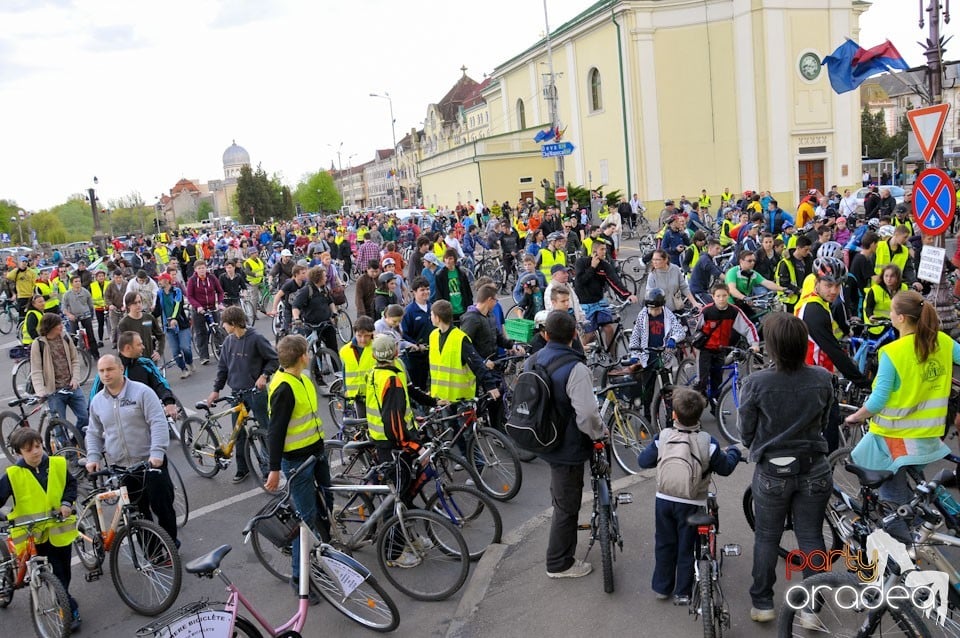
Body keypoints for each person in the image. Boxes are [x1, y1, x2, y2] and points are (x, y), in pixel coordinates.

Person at [739, 312, 834, 623]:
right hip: (815, 468)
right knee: (811, 536)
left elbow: (746, 431)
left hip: (773, 470)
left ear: (772, 346)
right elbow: (824, 421)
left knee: (767, 536)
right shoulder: (822, 377)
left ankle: (763, 603)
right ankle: (810, 609)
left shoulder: (756, 382)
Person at [847, 290, 960, 537]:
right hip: (930, 433)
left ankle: (907, 552)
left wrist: (857, 416)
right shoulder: (943, 341)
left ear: (900, 318)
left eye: (891, 312)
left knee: (892, 500)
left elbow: (878, 400)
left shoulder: (893, 352)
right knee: (918, 487)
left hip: (896, 437)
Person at [637, 387, 741, 605]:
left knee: (664, 543)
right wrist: (734, 452)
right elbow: (725, 468)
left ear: (674, 414)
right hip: (692, 502)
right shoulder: (707, 441)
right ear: (700, 414)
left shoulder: (663, 437)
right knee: (687, 547)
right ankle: (682, 591)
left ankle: (661, 587)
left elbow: (643, 462)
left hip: (664, 499)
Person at [534, 311, 605, 578]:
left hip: (545, 439)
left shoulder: (536, 358)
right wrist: (599, 433)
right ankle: (559, 563)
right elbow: (587, 414)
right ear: (574, 334)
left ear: (546, 335)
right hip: (567, 446)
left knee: (562, 497)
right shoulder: (575, 368)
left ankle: (562, 554)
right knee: (567, 506)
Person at [86, 354, 178, 550]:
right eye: (101, 371)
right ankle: (152, 554)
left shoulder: (142, 392)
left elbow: (158, 422)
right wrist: (93, 456)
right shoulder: (97, 401)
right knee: (138, 512)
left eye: (109, 369)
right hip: (122, 466)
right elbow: (94, 432)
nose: (105, 374)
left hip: (150, 462)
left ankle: (171, 547)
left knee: (163, 508)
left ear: (120, 369)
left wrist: (157, 453)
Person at [265, 334, 329, 602]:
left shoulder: (302, 378)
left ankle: (323, 556)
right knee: (304, 519)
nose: (311, 355)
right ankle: (299, 578)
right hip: (298, 461)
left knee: (325, 506)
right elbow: (275, 432)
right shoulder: (284, 388)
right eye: (308, 352)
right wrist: (274, 468)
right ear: (302, 356)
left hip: (316, 453)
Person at [0, 428, 82, 631]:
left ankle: (63, 600)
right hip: (33, 536)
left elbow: (71, 485)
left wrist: (66, 502)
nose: (36, 452)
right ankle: (69, 608)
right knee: (53, 575)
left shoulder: (57, 464)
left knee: (64, 572)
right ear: (19, 454)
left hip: (59, 531)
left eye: (37, 446)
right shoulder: (13, 475)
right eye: (29, 450)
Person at [795, 257, 871, 450]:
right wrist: (861, 380)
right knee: (828, 442)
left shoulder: (816, 302)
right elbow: (833, 351)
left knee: (827, 427)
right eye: (829, 285)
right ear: (816, 283)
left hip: (815, 376)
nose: (834, 291)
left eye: (838, 286)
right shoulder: (814, 310)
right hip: (812, 381)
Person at [207, 306, 278, 483]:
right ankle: (243, 468)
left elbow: (274, 359)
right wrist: (216, 390)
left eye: (224, 322)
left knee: (265, 431)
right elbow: (223, 368)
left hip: (256, 393)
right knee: (238, 433)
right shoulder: (229, 342)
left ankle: (269, 468)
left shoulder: (256, 339)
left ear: (233, 323)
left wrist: (264, 376)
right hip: (237, 394)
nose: (223, 326)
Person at [626, 288, 687, 418]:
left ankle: (670, 417)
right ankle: (647, 416)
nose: (654, 312)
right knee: (647, 391)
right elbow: (635, 336)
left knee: (668, 392)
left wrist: (673, 339)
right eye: (652, 309)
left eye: (657, 309)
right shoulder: (643, 315)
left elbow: (679, 331)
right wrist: (634, 355)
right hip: (648, 358)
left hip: (664, 357)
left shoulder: (668, 314)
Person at [90, 331, 179, 419]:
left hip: (149, 413)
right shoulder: (108, 370)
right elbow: (93, 401)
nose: (143, 347)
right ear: (128, 348)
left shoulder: (146, 364)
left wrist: (169, 402)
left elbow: (160, 384)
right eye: (139, 344)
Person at [693, 283, 760, 401]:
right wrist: (695, 347)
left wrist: (754, 343)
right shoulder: (707, 311)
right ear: (712, 297)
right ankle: (695, 405)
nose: (721, 299)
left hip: (721, 350)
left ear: (728, 295)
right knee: (701, 381)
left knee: (717, 381)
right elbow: (697, 330)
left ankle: (716, 408)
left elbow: (748, 327)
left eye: (724, 295)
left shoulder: (734, 311)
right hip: (705, 349)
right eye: (718, 296)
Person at [30, 312, 88, 432]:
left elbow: (74, 360)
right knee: (60, 428)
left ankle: (76, 442)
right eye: (58, 324)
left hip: (72, 387)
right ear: (49, 327)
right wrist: (41, 391)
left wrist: (75, 379)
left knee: (85, 418)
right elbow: (36, 371)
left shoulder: (65, 338)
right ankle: (67, 450)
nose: (62, 326)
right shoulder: (38, 344)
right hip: (53, 392)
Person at [574, 241, 637, 348]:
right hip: (585, 304)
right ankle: (580, 356)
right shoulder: (581, 262)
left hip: (599, 302)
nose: (605, 252)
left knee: (609, 329)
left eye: (605, 249)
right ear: (594, 251)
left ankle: (612, 359)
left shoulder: (605, 266)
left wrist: (627, 295)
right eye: (602, 249)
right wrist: (592, 268)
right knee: (590, 334)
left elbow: (615, 281)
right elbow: (579, 282)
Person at [290, 267, 338, 384]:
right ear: (318, 278)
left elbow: (330, 302)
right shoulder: (306, 291)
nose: (326, 277)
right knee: (316, 352)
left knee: (334, 350)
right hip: (312, 326)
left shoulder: (323, 289)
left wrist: (334, 313)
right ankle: (318, 378)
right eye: (324, 276)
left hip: (326, 324)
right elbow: (295, 306)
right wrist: (296, 318)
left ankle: (338, 374)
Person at [154, 272, 194, 378]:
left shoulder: (177, 291)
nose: (159, 282)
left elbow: (178, 305)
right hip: (168, 326)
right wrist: (149, 315)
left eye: (160, 280)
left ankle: (189, 363)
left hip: (181, 324)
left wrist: (174, 318)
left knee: (185, 348)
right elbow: (158, 309)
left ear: (167, 281)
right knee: (175, 351)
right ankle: (183, 369)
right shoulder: (159, 293)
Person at [186, 260, 224, 365]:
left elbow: (220, 291)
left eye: (203, 268)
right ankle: (203, 356)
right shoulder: (192, 280)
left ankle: (221, 352)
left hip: (212, 307)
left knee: (217, 329)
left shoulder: (212, 278)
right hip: (199, 310)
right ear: (195, 270)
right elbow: (190, 296)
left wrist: (220, 303)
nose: (202, 270)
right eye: (199, 268)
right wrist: (198, 306)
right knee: (201, 333)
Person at [339, 316, 376, 419]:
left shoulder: (376, 348)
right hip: (357, 395)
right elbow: (344, 370)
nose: (363, 339)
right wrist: (346, 388)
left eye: (367, 336)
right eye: (359, 336)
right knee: (362, 422)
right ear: (355, 333)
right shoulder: (345, 350)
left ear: (372, 333)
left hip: (373, 393)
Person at [400, 276, 433, 391]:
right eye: (422, 290)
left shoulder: (432, 307)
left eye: (427, 289)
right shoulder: (409, 312)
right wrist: (417, 345)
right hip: (416, 357)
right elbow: (403, 334)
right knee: (419, 386)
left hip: (432, 354)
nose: (426, 292)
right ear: (414, 292)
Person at [118, 291, 165, 363]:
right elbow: (122, 348)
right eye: (135, 303)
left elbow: (161, 336)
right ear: (128, 305)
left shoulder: (149, 317)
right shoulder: (124, 323)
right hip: (135, 363)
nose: (138, 305)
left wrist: (159, 352)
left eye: (139, 302)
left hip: (151, 360)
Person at [61, 274, 101, 359]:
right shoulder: (67, 294)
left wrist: (91, 315)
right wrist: (69, 315)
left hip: (85, 316)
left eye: (79, 281)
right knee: (73, 337)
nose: (78, 283)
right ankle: (73, 358)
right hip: (73, 317)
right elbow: (63, 308)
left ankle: (95, 354)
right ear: (72, 284)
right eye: (76, 282)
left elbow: (90, 305)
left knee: (91, 336)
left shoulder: (85, 292)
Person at [863, 264, 907, 335]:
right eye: (886, 276)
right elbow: (868, 307)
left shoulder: (904, 288)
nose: (888, 279)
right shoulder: (875, 290)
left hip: (896, 324)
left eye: (892, 276)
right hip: (878, 326)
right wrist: (870, 316)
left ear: (898, 277)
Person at [775, 236, 813, 313]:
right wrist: (798, 290)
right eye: (806, 250)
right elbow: (783, 283)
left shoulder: (809, 259)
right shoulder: (785, 263)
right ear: (798, 248)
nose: (808, 252)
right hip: (790, 300)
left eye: (809, 249)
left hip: (804, 297)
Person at [435, 250, 473, 324]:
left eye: (450, 258)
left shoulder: (461, 273)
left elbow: (468, 292)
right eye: (446, 259)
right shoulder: (440, 275)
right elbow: (439, 295)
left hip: (462, 309)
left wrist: (469, 307)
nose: (448, 261)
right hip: (449, 311)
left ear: (455, 260)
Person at [270, 263, 307, 334]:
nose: (305, 275)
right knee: (286, 328)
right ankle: (283, 337)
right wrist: (274, 309)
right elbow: (278, 295)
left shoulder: (305, 284)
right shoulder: (289, 284)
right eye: (303, 273)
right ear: (296, 274)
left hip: (300, 308)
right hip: (289, 307)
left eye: (305, 273)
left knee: (302, 329)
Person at [104, 270, 127, 349]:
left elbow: (129, 294)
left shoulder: (126, 284)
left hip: (124, 308)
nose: (118, 279)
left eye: (120, 277)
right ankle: (114, 342)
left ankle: (126, 341)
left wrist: (125, 305)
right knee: (114, 327)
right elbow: (106, 297)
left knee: (125, 326)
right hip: (114, 309)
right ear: (113, 278)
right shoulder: (110, 285)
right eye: (116, 278)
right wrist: (110, 305)